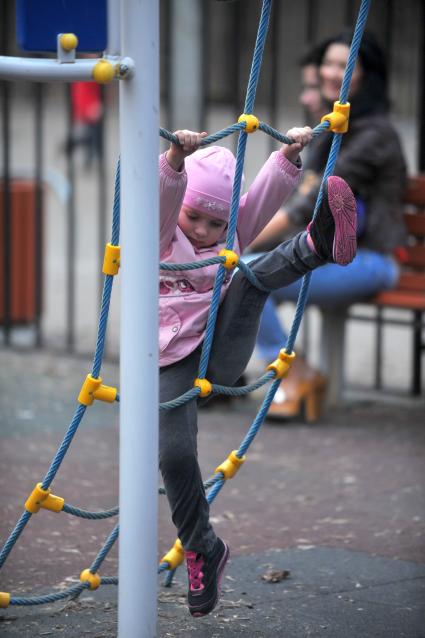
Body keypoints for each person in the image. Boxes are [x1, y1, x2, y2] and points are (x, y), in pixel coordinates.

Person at [159, 126, 357, 616]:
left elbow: (258, 202)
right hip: (164, 365)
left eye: (215, 223)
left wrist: (288, 155)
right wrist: (175, 160)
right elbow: (167, 197)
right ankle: (203, 546)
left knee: (247, 275)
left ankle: (317, 244)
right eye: (195, 218)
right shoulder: (161, 235)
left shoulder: (227, 235)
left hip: (214, 353)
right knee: (174, 455)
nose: (203, 231)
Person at [247, 30, 407, 421]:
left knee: (247, 274)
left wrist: (233, 242)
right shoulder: (331, 129)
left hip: (371, 262)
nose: (333, 71)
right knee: (244, 271)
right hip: (330, 259)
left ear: (367, 76)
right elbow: (294, 202)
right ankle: (289, 373)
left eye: (345, 65)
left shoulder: (375, 135)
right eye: (329, 63)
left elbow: (305, 209)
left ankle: (292, 374)